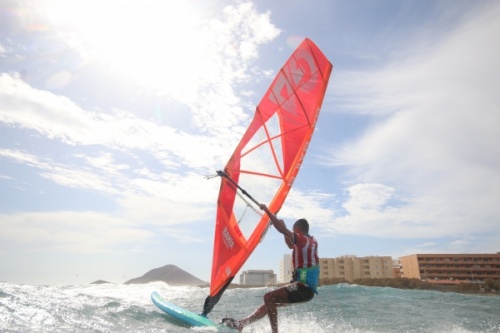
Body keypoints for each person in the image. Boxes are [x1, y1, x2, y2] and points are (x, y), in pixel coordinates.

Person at [221, 203, 319, 333]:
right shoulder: (312, 241)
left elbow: (283, 231)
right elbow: (290, 245)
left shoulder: (303, 241)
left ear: (299, 231)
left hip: (302, 288)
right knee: (268, 303)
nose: (293, 234)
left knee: (268, 297)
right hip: (306, 290)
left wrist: (268, 211)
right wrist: (284, 229)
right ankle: (241, 324)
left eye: (294, 232)